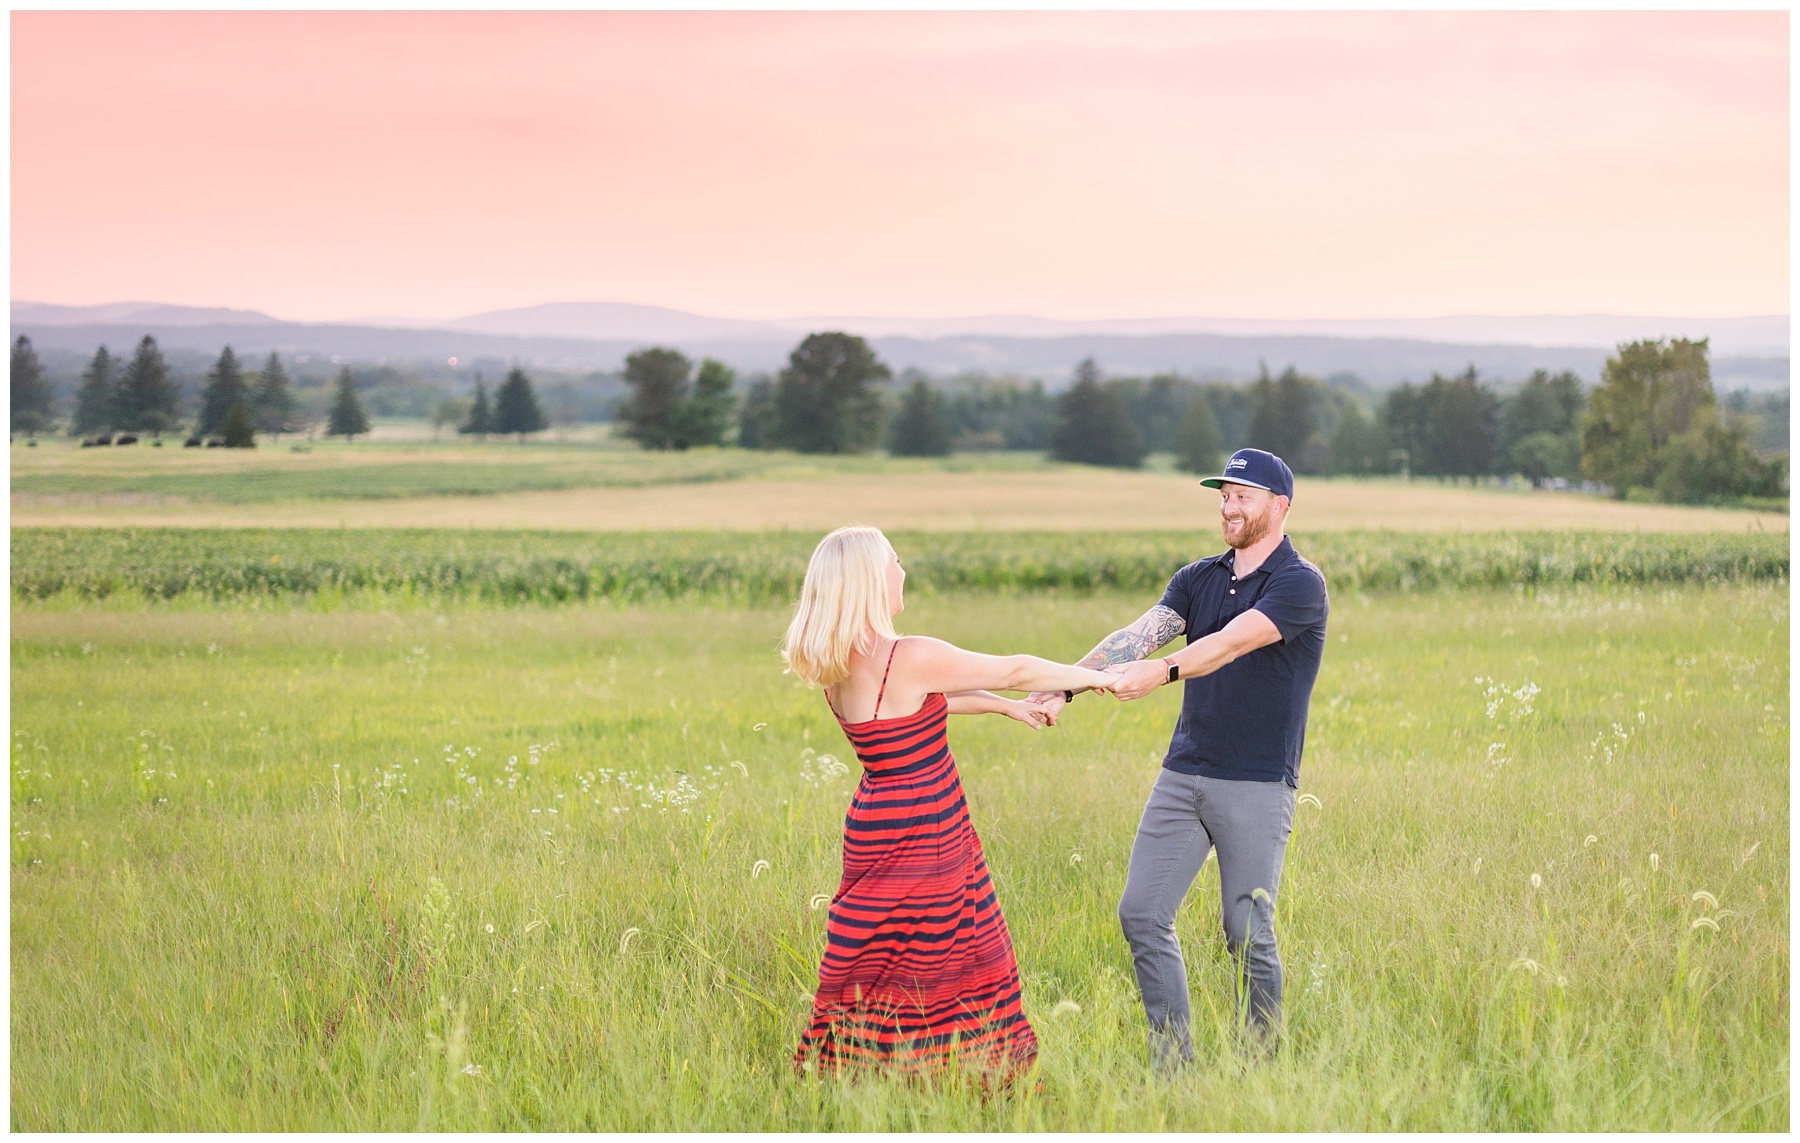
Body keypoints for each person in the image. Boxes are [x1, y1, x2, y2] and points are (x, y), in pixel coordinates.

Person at [784, 525, 1118, 1081]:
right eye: (894, 562)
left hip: (875, 819)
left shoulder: (840, 660)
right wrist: (1096, 677)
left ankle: (865, 1072)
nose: (902, 571)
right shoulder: (908, 654)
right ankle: (954, 1074)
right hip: (927, 824)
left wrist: (1002, 709)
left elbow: (920, 703)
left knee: (878, 952)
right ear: (870, 578)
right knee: (952, 951)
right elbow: (1014, 668)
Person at [1030, 448, 1329, 1068]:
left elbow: (1229, 643)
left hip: (1256, 782)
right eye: (1223, 495)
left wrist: (1161, 672)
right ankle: (1172, 1062)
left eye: (1242, 496)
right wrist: (1066, 686)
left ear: (1280, 506)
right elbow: (1135, 637)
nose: (1228, 506)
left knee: (1245, 932)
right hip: (1183, 774)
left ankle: (1262, 1063)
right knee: (1141, 913)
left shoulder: (1299, 584)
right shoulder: (1197, 578)